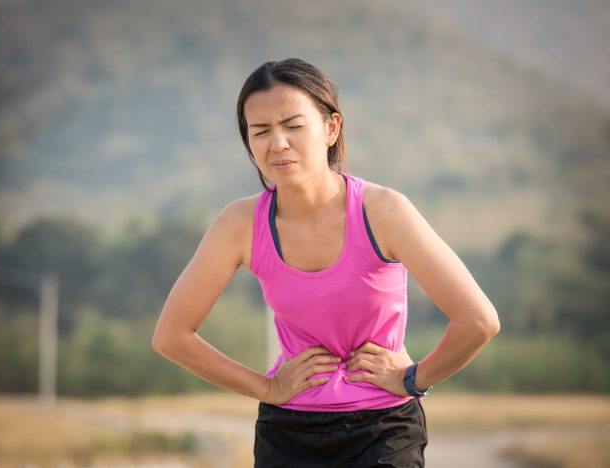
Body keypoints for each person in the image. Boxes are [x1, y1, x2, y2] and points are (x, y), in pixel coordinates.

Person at [152, 58, 500, 467]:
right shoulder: (239, 224)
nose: (277, 143)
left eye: (293, 126)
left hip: (384, 430)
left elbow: (479, 321)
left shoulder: (383, 211)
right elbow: (171, 336)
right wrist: (267, 388)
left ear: (331, 128)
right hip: (287, 434)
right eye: (260, 131)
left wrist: (413, 379)